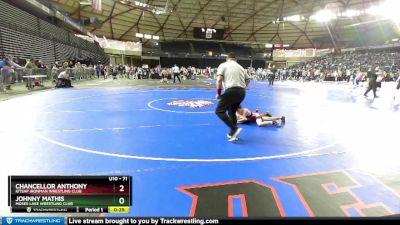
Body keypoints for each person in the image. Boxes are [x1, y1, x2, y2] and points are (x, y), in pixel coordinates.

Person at [215, 53, 250, 142]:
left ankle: (234, 129)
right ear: (236, 59)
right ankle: (233, 134)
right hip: (242, 92)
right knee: (232, 112)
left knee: (219, 111)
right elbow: (248, 80)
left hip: (231, 91)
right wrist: (241, 88)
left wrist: (219, 93)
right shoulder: (241, 67)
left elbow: (219, 80)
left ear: (227, 59)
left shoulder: (223, 65)